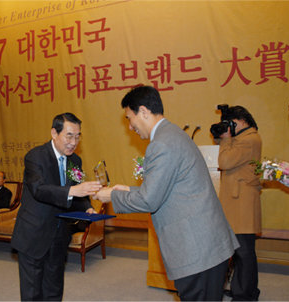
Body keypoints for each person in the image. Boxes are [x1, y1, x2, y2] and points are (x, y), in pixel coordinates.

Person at [95, 85, 239, 301]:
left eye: (129, 118)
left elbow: (149, 200)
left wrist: (111, 196)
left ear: (143, 111)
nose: (131, 127)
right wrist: (127, 189)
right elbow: (167, 189)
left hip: (196, 249)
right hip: (206, 244)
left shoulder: (161, 144)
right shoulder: (173, 134)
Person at [11, 112, 102, 301]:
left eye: (78, 136)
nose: (74, 142)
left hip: (60, 234)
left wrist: (87, 207)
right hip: (34, 234)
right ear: (54, 133)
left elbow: (78, 193)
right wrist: (74, 191)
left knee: (54, 289)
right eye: (69, 135)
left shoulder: (75, 161)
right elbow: (39, 190)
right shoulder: (35, 157)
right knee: (32, 293)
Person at [214, 106, 262, 300]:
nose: (229, 128)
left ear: (242, 121)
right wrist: (224, 137)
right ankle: (243, 289)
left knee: (243, 250)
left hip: (241, 201)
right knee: (241, 250)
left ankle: (245, 294)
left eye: (231, 123)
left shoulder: (248, 139)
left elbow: (224, 162)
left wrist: (225, 139)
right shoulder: (243, 139)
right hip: (237, 200)